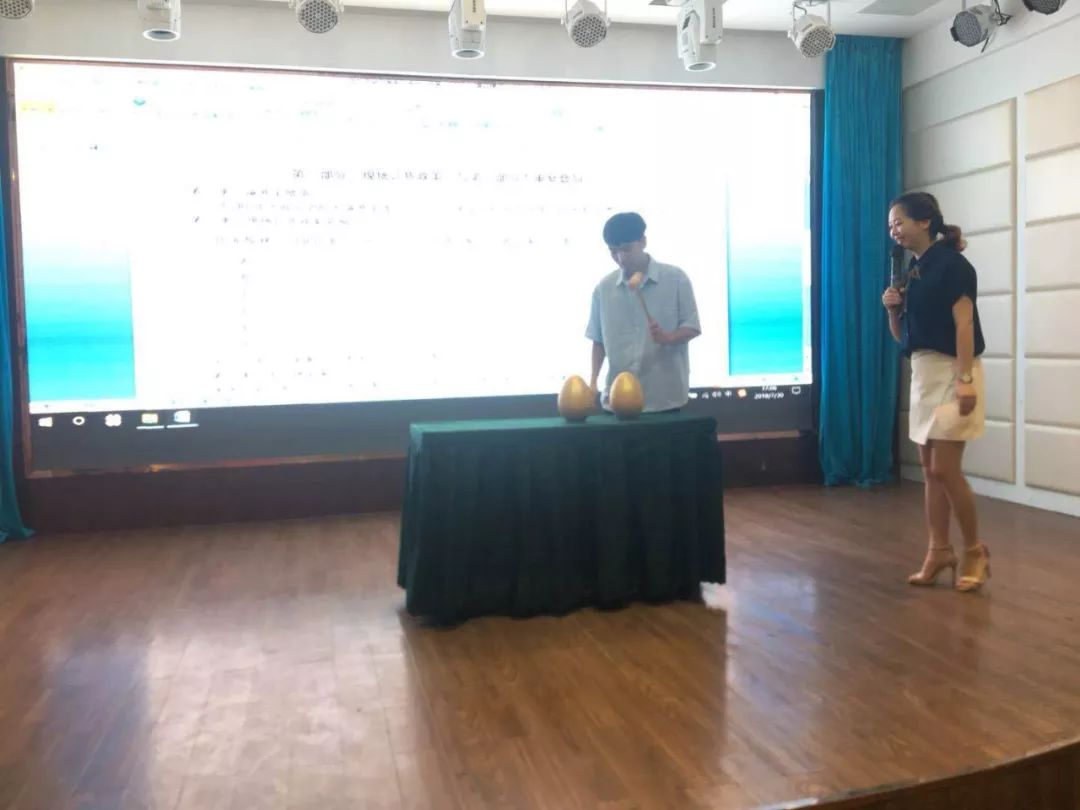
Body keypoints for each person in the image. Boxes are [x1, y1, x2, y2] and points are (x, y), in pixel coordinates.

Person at [882, 191, 991, 593]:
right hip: (924, 373)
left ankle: (975, 551)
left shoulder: (953, 266)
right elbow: (904, 338)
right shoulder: (912, 271)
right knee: (930, 471)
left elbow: (964, 324)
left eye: (899, 222)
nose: (894, 231)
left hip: (953, 371)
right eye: (890, 226)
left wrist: (965, 379)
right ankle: (938, 550)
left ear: (924, 222)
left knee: (945, 469)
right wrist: (892, 310)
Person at [586, 212, 701, 413]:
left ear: (643, 241)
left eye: (626, 249)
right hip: (616, 402)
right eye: (613, 251)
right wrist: (593, 381)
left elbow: (692, 327)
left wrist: (668, 337)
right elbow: (598, 340)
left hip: (665, 399)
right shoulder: (603, 288)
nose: (621, 258)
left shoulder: (676, 278)